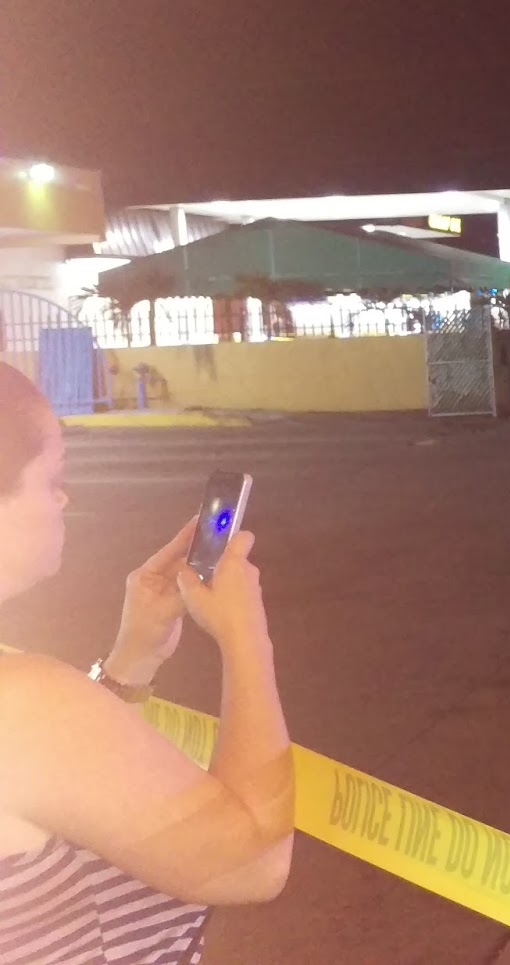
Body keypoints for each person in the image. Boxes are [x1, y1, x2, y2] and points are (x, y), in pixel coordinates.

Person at [0, 364, 293, 962]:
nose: (64, 497)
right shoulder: (22, 703)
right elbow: (252, 861)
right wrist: (247, 638)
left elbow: (67, 782)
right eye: (52, 478)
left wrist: (133, 658)